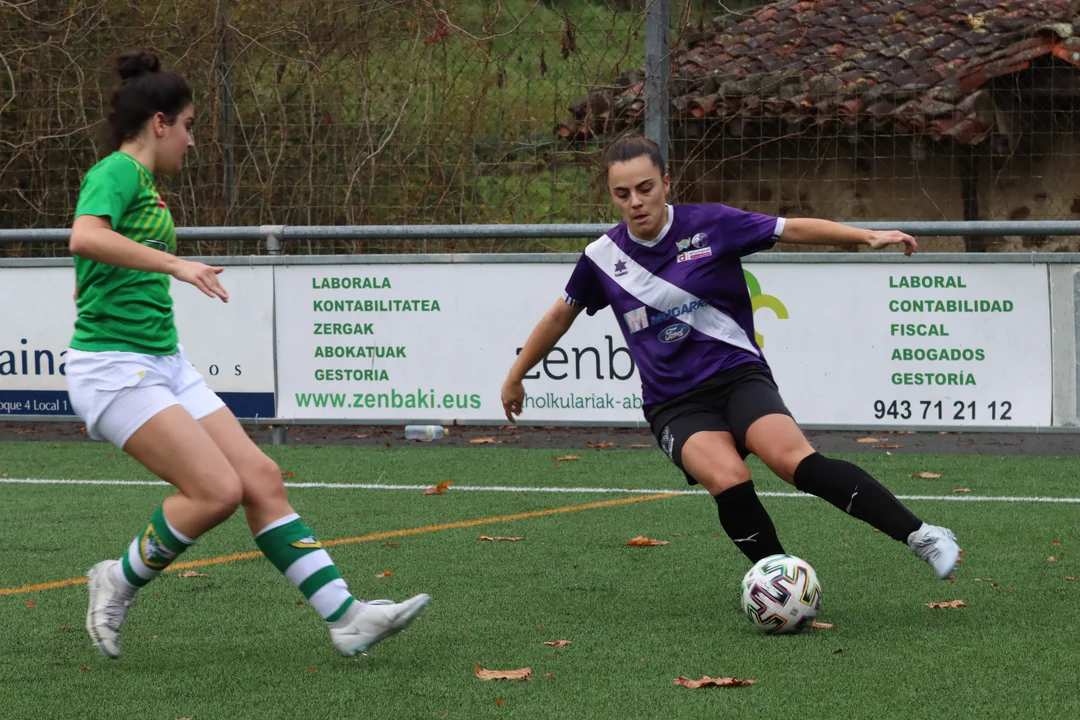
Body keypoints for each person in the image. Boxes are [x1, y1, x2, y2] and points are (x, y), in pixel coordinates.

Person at [67, 51, 428, 659]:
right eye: (188, 126)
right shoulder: (118, 170)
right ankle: (117, 580)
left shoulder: (145, 186)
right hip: (113, 368)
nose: (192, 140)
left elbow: (100, 262)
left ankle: (347, 618)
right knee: (215, 492)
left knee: (260, 478)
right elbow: (86, 235)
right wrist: (176, 264)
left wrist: (117, 279)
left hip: (163, 361)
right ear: (159, 123)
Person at [500, 134, 960, 580]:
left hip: (738, 376)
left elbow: (790, 228)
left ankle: (922, 536)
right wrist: (516, 376)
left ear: (666, 183)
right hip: (674, 402)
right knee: (729, 477)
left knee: (794, 462)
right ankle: (781, 584)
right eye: (623, 194)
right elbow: (559, 316)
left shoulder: (711, 223)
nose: (636, 202)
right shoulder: (602, 258)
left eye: (645, 188)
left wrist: (868, 236)